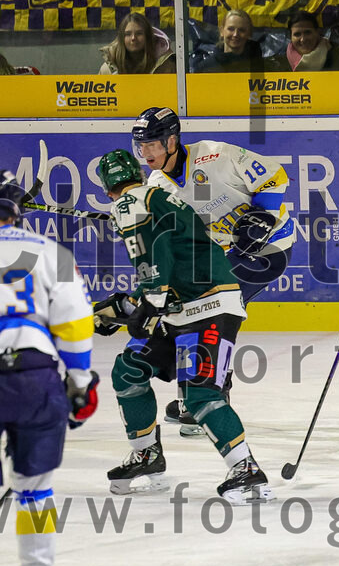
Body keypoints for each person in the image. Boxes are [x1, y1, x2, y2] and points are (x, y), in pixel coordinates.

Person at [94, 149, 272, 504]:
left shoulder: (128, 203)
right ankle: (147, 455)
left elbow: (152, 254)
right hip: (183, 308)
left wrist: (152, 298)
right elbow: (172, 254)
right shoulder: (157, 197)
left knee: (200, 392)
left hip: (210, 306)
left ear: (106, 188)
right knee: (129, 369)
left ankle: (246, 470)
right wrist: (132, 305)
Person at [0, 171, 98, 566]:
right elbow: (75, 324)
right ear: (19, 216)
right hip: (37, 381)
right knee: (36, 488)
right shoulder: (52, 253)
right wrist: (80, 383)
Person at [128, 107, 294, 433]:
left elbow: (275, 175)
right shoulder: (157, 185)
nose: (145, 153)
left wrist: (263, 216)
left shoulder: (214, 155)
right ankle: (199, 392)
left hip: (272, 247)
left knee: (214, 308)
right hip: (227, 254)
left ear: (172, 141)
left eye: (152, 144)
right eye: (140, 146)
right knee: (193, 306)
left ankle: (212, 394)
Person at [266, 9, 339, 72]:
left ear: (317, 32)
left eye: (307, 32)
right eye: (297, 34)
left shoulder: (337, 57)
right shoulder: (279, 64)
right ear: (290, 37)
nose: (303, 39)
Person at [98, 12, 176, 75]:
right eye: (128, 34)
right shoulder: (107, 70)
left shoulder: (166, 67)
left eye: (139, 33)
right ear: (121, 38)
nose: (133, 38)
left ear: (148, 36)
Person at [196, 9, 264, 73]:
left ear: (249, 33)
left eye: (241, 30)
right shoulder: (205, 69)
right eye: (231, 29)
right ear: (222, 31)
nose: (235, 34)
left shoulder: (262, 68)